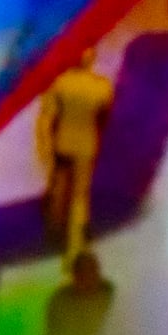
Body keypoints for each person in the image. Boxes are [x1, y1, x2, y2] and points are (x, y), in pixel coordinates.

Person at [35, 61, 115, 278]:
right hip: (87, 144)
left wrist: (45, 148)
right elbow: (105, 118)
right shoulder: (101, 86)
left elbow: (47, 117)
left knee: (60, 191)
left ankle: (56, 238)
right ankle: (73, 249)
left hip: (64, 142)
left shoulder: (60, 82)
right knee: (79, 198)